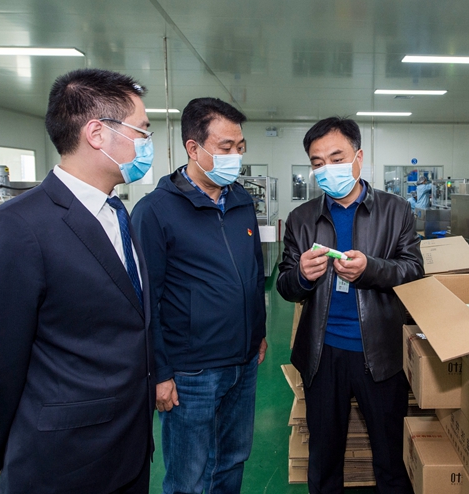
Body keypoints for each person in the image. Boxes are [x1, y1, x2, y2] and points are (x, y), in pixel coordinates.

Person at [0, 68, 155, 493]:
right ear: (97, 133)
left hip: (128, 449)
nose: (146, 143)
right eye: (141, 130)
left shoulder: (118, 214)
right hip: (61, 462)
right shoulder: (17, 227)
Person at [277, 117, 424, 494]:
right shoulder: (301, 219)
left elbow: (413, 270)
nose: (327, 169)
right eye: (317, 163)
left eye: (336, 158)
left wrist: (370, 269)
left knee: (391, 458)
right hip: (322, 354)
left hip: (381, 353)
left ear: (358, 157)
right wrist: (302, 276)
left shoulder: (395, 210)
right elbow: (285, 285)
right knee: (323, 458)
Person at [131, 97, 267, 494]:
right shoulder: (155, 211)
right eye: (226, 148)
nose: (235, 157)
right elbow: (145, 301)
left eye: (240, 147)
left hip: (243, 362)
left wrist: (258, 333)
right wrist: (160, 372)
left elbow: (254, 271)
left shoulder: (241, 201)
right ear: (194, 148)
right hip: (191, 372)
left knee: (232, 460)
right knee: (188, 476)